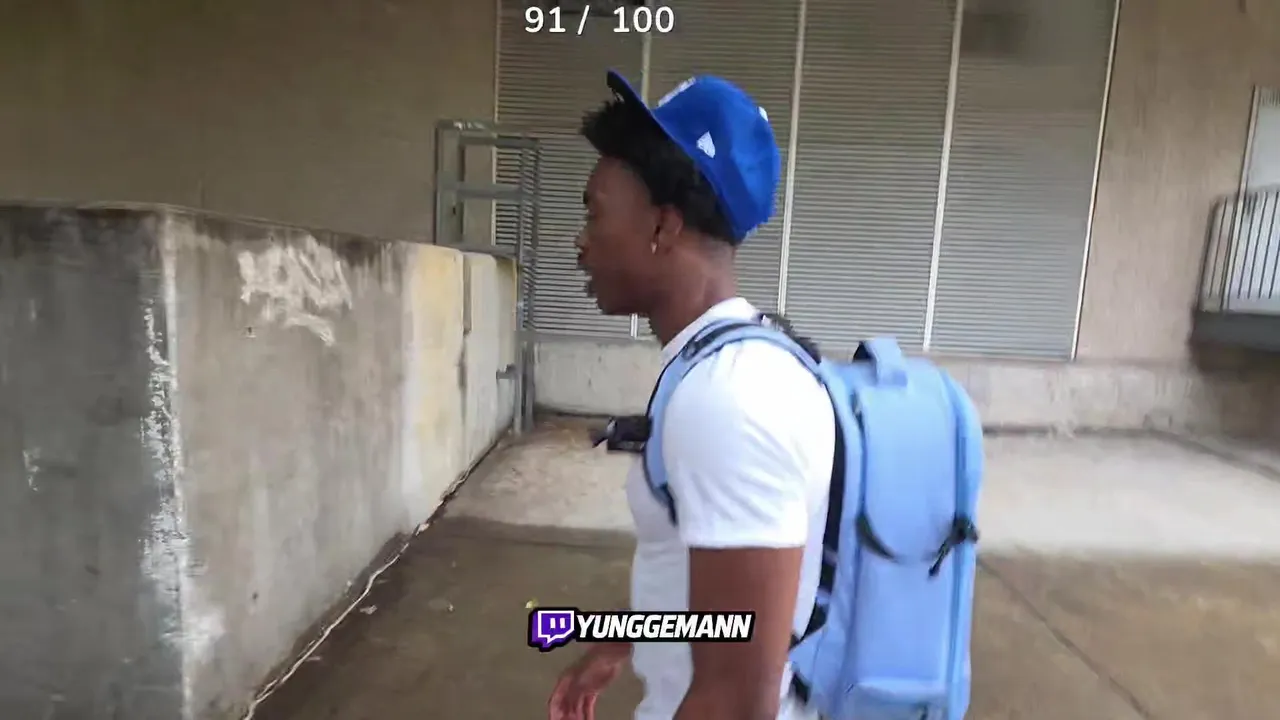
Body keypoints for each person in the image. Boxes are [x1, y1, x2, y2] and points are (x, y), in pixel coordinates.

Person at [547, 69, 835, 720]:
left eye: (594, 213)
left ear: (664, 227)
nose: (581, 240)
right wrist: (621, 637)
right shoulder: (718, 365)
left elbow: (737, 701)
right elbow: (706, 575)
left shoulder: (731, 399)